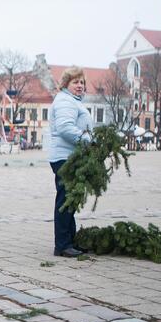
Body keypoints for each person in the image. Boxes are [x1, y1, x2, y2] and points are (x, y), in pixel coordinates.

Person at [48, 67, 93, 257]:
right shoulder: (65, 101)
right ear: (66, 84)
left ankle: (69, 241)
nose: (80, 86)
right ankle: (62, 245)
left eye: (82, 82)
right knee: (65, 201)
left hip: (71, 156)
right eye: (76, 82)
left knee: (70, 200)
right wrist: (89, 141)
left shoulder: (72, 101)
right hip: (65, 157)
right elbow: (66, 128)